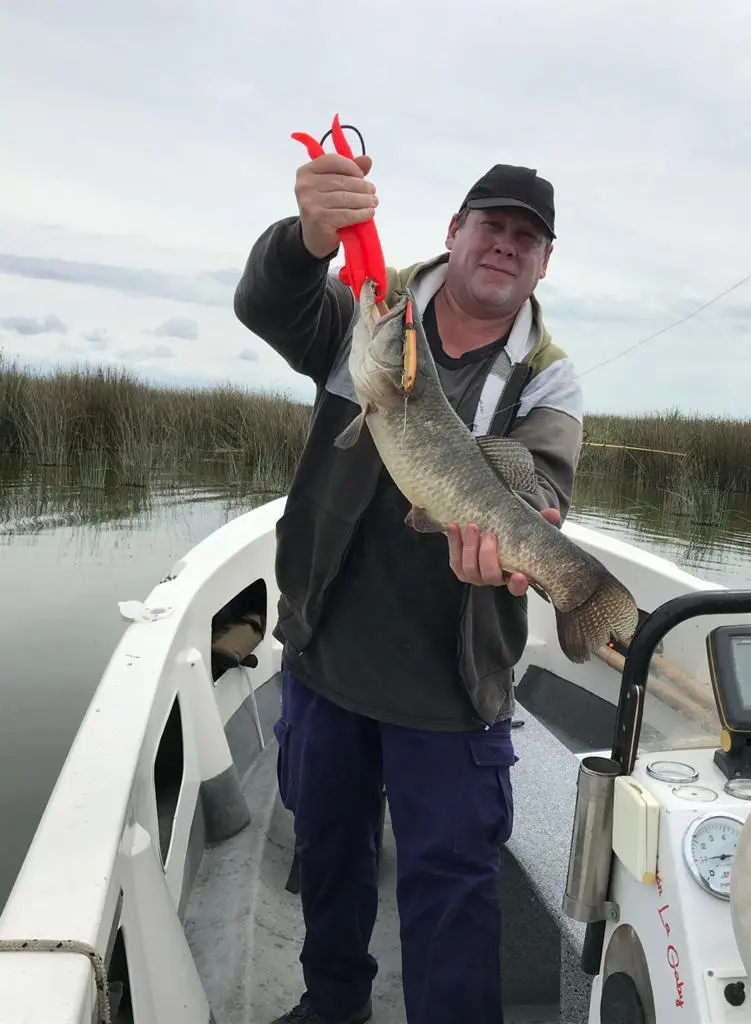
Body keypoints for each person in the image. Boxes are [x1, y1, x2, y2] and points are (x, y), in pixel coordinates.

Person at [233, 149, 583, 1024]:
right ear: (454, 233)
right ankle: (333, 1005)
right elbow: (269, 304)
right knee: (330, 851)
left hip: (453, 685)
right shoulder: (371, 315)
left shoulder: (548, 375)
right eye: (490, 225)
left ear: (544, 261)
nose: (505, 245)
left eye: (525, 237)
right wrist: (310, 238)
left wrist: (521, 539)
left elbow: (541, 488)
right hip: (328, 660)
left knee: (454, 888)